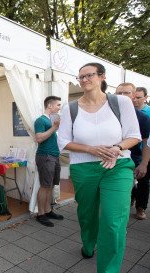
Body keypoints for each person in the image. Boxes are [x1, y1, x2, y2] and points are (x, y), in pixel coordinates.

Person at [57, 63, 140, 273]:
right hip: (83, 167)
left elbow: (134, 136)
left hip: (117, 166)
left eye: (89, 75)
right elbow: (63, 141)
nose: (84, 79)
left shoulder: (121, 102)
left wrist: (116, 148)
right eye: (80, 76)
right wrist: (91, 149)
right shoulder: (70, 108)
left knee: (113, 223)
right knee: (87, 214)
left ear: (102, 76)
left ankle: (108, 270)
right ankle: (88, 243)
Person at [117, 83, 150, 220]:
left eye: (126, 93)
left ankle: (140, 207)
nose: (122, 96)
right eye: (119, 93)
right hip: (116, 157)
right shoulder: (109, 114)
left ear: (134, 96)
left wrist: (144, 163)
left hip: (136, 156)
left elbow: (146, 143)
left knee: (143, 181)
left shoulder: (142, 118)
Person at [34, 96, 64, 227]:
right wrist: (54, 127)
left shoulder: (53, 121)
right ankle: (40, 214)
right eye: (58, 105)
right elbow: (39, 138)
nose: (59, 107)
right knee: (45, 185)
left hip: (55, 156)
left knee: (51, 185)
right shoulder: (40, 120)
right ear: (50, 106)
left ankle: (48, 210)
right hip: (45, 156)